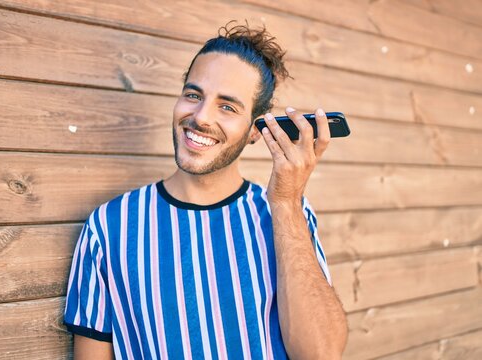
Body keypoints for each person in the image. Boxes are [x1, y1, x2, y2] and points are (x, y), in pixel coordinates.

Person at [63, 22, 348, 360]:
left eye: (227, 106)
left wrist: (286, 202)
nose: (200, 117)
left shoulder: (287, 215)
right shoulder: (110, 227)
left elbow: (321, 353)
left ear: (256, 129)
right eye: (194, 95)